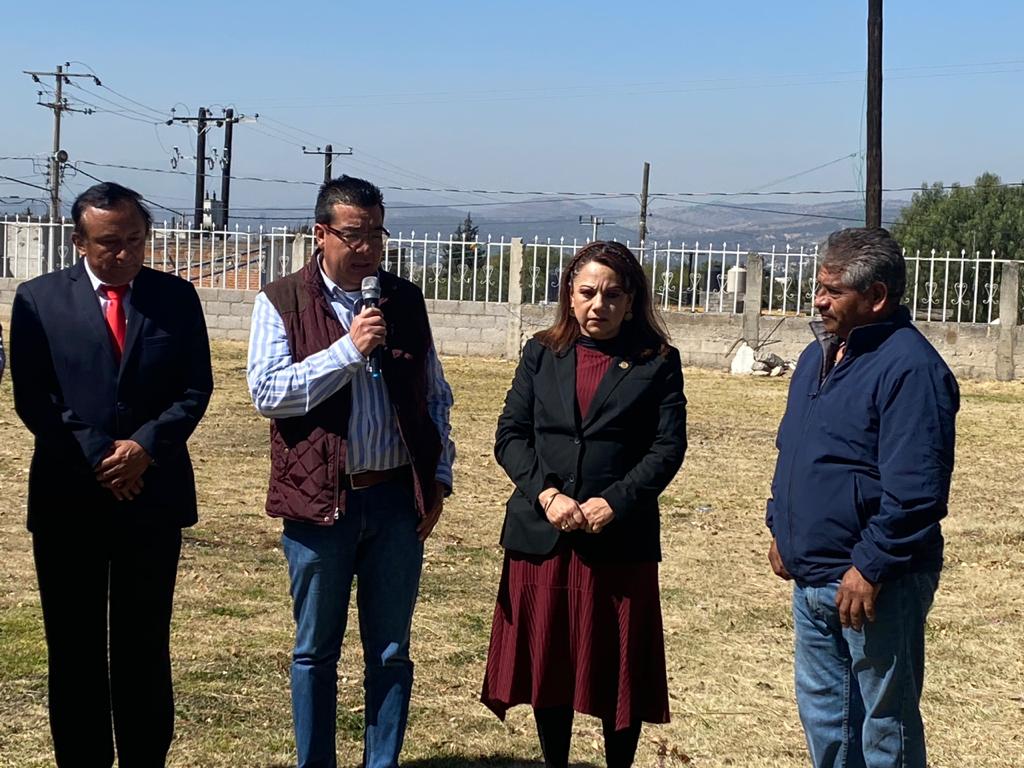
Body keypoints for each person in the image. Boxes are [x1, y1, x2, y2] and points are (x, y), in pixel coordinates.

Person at [246, 175, 455, 768]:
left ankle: (380, 762)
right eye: (354, 235)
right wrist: (348, 350)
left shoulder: (403, 300)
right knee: (315, 651)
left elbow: (435, 396)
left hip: (394, 501)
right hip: (320, 503)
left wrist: (437, 477)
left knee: (390, 651)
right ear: (321, 234)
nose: (367, 248)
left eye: (377, 234)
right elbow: (268, 393)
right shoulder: (281, 301)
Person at [10, 181, 214, 767]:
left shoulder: (176, 298)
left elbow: (195, 388)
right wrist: (103, 455)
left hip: (151, 498)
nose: (123, 253)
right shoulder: (39, 300)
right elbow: (35, 398)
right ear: (79, 242)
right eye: (109, 242)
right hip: (70, 500)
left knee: (143, 644)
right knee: (73, 646)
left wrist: (145, 447)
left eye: (134, 240)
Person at [481, 241, 687, 768]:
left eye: (613, 294)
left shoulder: (658, 362)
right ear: (569, 296)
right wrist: (546, 495)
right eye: (588, 292)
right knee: (550, 664)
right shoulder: (540, 352)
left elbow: (667, 448)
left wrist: (614, 502)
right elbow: (510, 435)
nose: (599, 304)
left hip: (618, 541)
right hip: (543, 535)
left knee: (618, 669)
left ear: (631, 300)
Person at [766, 228, 959, 768]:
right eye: (818, 287)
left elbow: (917, 492)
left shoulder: (911, 368)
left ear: (876, 296)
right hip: (813, 577)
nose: (818, 300)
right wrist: (780, 525)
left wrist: (870, 567)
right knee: (827, 722)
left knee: (885, 727)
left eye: (833, 291)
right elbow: (793, 449)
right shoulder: (817, 355)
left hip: (875, 584)